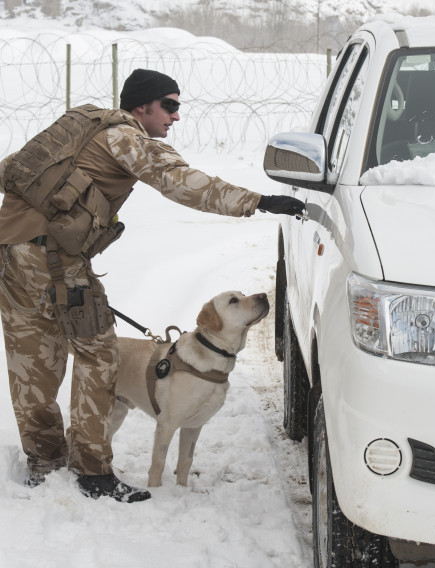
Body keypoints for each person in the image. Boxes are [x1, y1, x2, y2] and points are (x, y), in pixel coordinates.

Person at [0, 69, 304, 503]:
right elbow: (179, 182)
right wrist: (256, 201)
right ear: (142, 106)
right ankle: (91, 471)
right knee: (100, 356)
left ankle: (45, 463)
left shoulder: (77, 126)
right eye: (170, 105)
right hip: (56, 265)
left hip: (11, 256)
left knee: (33, 365)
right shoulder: (126, 137)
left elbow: (11, 170)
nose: (176, 116)